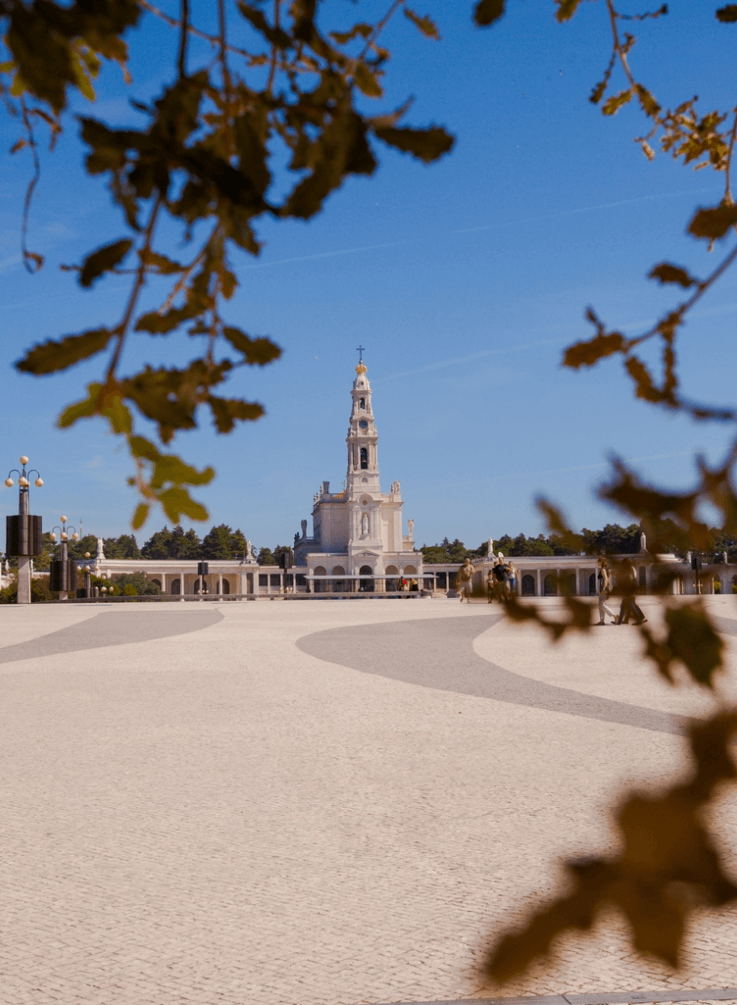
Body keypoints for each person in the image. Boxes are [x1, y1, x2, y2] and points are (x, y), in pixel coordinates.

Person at [614, 557, 647, 625]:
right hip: (631, 590)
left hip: (629, 591)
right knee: (629, 605)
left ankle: (638, 620)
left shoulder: (629, 570)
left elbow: (629, 580)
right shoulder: (630, 569)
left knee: (629, 605)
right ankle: (625, 620)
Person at [596, 557, 617, 625]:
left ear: (601, 562)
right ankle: (602, 621)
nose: (597, 562)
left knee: (601, 605)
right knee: (601, 604)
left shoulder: (603, 569)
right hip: (603, 589)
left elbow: (606, 580)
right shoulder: (605, 569)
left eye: (598, 561)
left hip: (603, 590)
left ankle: (615, 615)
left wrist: (603, 589)